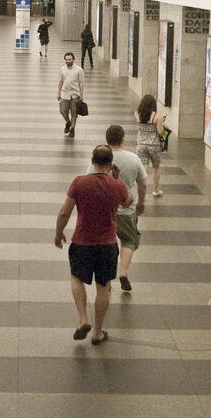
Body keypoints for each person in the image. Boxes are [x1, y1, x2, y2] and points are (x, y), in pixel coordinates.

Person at [55, 145, 132, 345]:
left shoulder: (79, 182)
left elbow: (65, 212)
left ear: (92, 160)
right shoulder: (117, 185)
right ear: (111, 163)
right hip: (107, 244)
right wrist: (118, 179)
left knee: (76, 278)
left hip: (82, 242)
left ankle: (82, 320)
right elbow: (128, 202)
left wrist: (58, 232)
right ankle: (97, 332)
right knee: (104, 287)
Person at [94, 124, 147, 292]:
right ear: (123, 139)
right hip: (127, 209)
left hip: (105, 210)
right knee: (130, 240)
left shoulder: (102, 158)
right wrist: (141, 203)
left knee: (107, 244)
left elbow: (92, 180)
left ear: (107, 140)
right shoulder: (133, 158)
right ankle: (123, 272)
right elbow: (143, 183)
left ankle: (107, 280)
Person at [133, 94, 166, 197]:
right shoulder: (157, 116)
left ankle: (138, 190)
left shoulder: (137, 114)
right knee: (156, 167)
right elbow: (160, 132)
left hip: (141, 145)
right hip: (154, 146)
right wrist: (161, 122)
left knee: (142, 168)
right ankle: (156, 190)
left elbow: (142, 123)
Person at [57, 52, 84, 137]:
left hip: (75, 94)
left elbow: (81, 83)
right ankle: (68, 122)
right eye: (66, 59)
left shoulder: (79, 70)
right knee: (63, 111)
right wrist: (58, 93)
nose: (68, 61)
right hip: (64, 94)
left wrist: (81, 95)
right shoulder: (62, 69)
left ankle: (72, 129)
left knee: (74, 113)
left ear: (73, 59)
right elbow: (60, 82)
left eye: (69, 59)